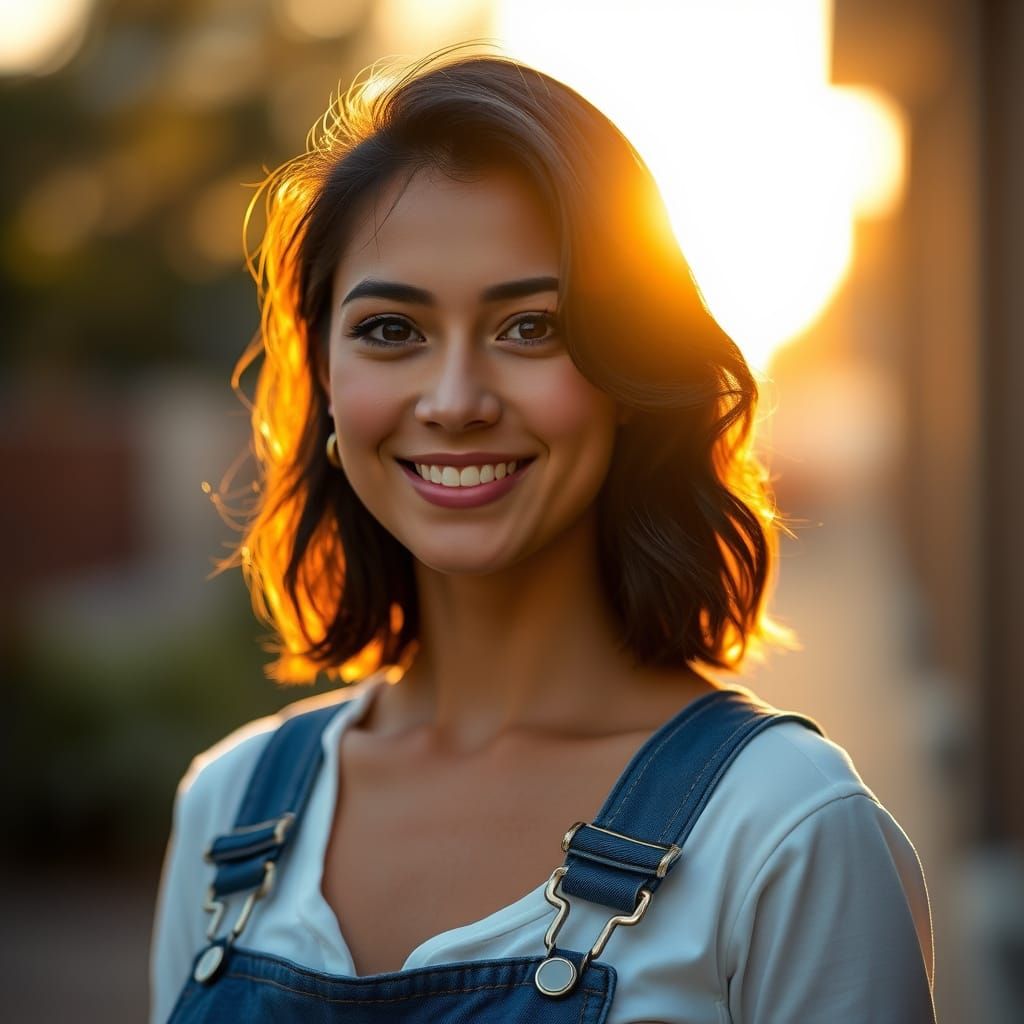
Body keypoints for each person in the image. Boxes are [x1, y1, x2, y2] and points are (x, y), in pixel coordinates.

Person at [149, 48, 937, 1023]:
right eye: (392, 330)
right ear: (322, 382)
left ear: (630, 378)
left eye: (530, 328)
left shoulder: (784, 826)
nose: (454, 401)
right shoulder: (225, 811)